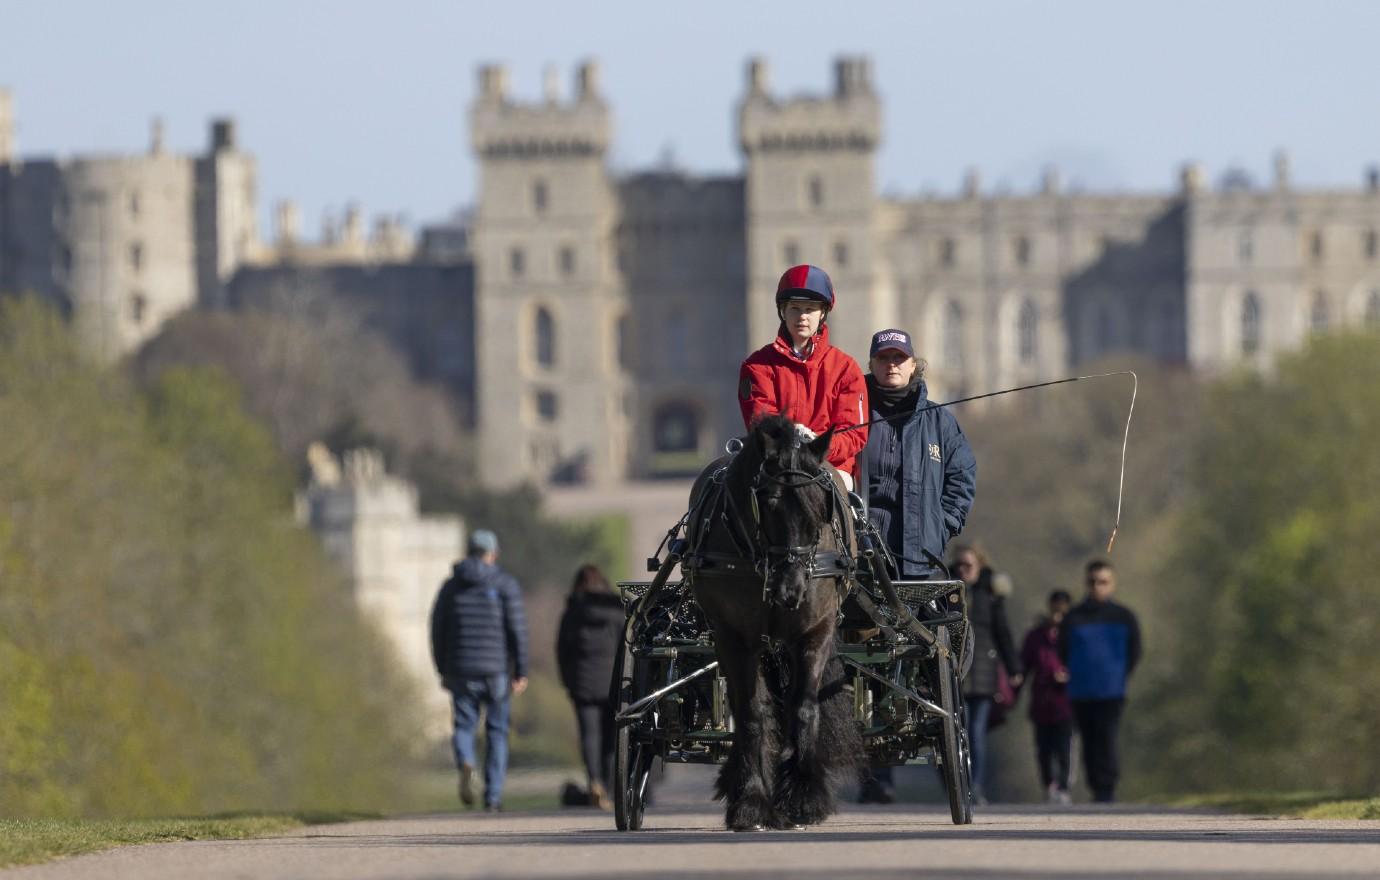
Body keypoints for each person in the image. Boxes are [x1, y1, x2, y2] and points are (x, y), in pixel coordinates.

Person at [856, 327, 977, 803]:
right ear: (872, 364)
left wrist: (941, 526)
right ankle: (871, 771)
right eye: (883, 358)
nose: (891, 366)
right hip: (863, 563)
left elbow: (962, 476)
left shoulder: (940, 423)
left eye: (899, 359)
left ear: (913, 365)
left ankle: (943, 730)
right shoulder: (852, 415)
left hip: (920, 564)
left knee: (939, 653)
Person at [738, 263, 868, 489]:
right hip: (776, 465)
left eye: (810, 309)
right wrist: (789, 436)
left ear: (823, 313)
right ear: (783, 312)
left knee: (843, 497)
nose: (802, 317)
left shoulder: (847, 369)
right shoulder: (757, 365)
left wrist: (819, 444)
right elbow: (760, 419)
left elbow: (854, 433)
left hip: (830, 465)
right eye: (795, 308)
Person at [429, 529, 529, 812]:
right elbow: (517, 630)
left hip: (460, 669)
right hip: (496, 670)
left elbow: (437, 630)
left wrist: (442, 668)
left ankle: (465, 761)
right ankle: (493, 797)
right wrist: (520, 670)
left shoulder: (450, 587)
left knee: (463, 725)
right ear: (493, 554)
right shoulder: (505, 584)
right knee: (497, 731)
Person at [1059, 559, 1141, 803]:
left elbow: (1134, 651)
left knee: (1107, 737)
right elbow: (1063, 650)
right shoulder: (1073, 618)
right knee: (1088, 739)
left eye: (1103, 582)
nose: (1097, 587)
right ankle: (1095, 785)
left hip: (1111, 689)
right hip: (1081, 690)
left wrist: (1118, 674)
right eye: (1093, 582)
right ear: (1086, 583)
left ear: (1112, 584)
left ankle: (1107, 786)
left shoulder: (1124, 617)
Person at [952, 544, 1022, 805]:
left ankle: (975, 786)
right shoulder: (948, 593)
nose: (962, 570)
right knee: (956, 733)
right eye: (959, 565)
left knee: (976, 732)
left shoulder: (990, 595)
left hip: (982, 674)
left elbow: (1002, 632)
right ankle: (959, 785)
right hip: (955, 675)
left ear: (979, 567)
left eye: (968, 565)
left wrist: (1014, 668)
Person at [555, 564, 624, 811]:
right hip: (613, 682)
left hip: (582, 682)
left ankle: (595, 782)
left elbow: (562, 650)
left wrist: (567, 680)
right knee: (611, 738)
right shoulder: (617, 611)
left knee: (589, 736)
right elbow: (625, 648)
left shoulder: (573, 612)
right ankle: (607, 785)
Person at [1021, 589, 1074, 805]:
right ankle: (1048, 785)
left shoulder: (1073, 636)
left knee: (1064, 748)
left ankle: (1063, 786)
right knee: (1043, 749)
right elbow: (1023, 666)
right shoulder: (1036, 637)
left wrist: (1069, 675)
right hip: (1042, 702)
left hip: (1066, 704)